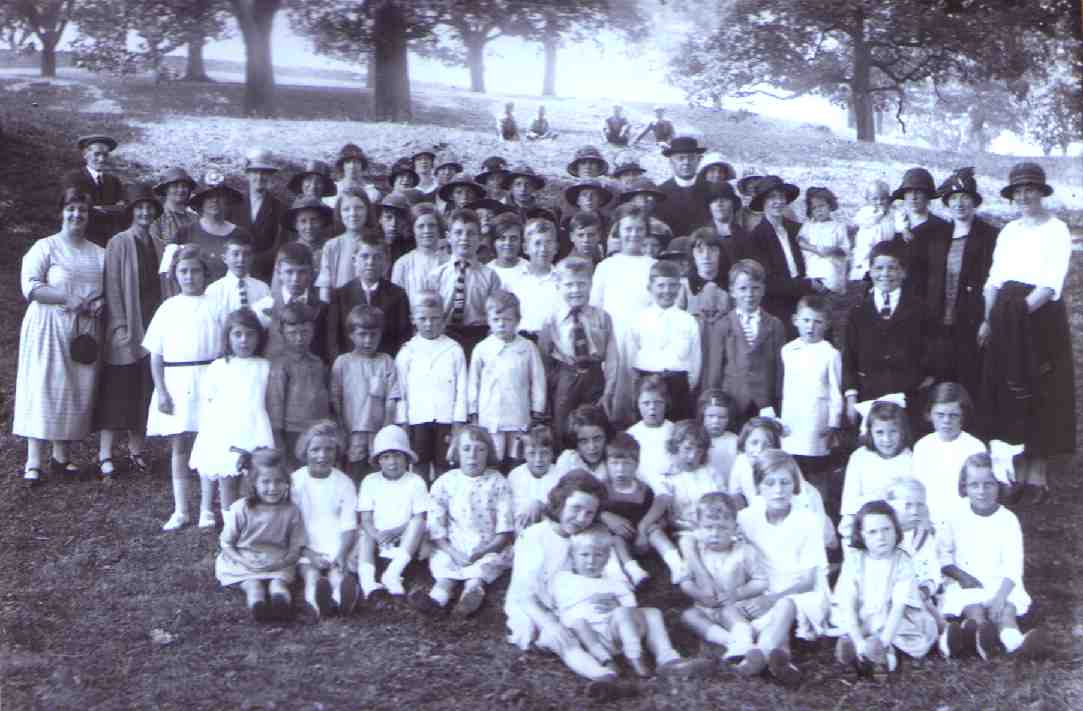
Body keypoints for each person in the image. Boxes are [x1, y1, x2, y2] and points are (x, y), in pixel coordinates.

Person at [979, 162, 1074, 504]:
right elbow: (994, 279)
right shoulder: (1009, 232)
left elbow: (1050, 282)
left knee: (1040, 389)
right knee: (1010, 389)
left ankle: (1038, 473)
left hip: (1039, 316)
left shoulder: (1057, 230)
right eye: (1018, 192)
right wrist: (989, 319)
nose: (1024, 196)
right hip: (1006, 315)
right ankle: (1016, 469)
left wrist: (1020, 316)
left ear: (1041, 192)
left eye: (1030, 189)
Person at [14, 187, 105, 486]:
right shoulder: (45, 247)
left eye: (83, 210)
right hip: (48, 325)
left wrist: (101, 302)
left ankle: (61, 458)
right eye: (71, 209)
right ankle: (33, 462)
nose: (77, 215)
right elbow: (31, 287)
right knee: (44, 386)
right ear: (61, 212)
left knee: (73, 389)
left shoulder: (99, 253)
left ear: (89, 216)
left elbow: (108, 290)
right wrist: (65, 298)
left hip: (84, 330)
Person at [550, 525, 708, 679]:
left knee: (650, 612)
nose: (591, 561)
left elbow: (632, 608)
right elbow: (559, 606)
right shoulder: (563, 579)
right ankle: (607, 662)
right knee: (579, 623)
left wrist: (618, 606)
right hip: (589, 637)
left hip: (617, 633)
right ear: (572, 557)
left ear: (607, 559)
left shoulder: (615, 582)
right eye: (584, 555)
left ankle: (658, 657)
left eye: (598, 555)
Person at [938, 453, 1047, 659]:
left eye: (988, 484)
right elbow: (944, 556)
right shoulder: (953, 515)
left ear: (999, 486)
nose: (981, 491)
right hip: (967, 582)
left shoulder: (1007, 520)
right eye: (974, 485)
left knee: (1005, 611)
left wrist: (1000, 597)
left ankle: (1016, 643)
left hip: (1002, 583)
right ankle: (981, 638)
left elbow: (1014, 565)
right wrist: (962, 577)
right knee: (974, 609)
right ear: (964, 487)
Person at [736, 450, 831, 686]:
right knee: (769, 612)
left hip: (801, 591)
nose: (778, 490)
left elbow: (809, 580)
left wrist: (771, 599)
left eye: (785, 482)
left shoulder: (807, 521)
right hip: (763, 587)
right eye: (770, 483)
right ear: (758, 486)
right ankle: (783, 660)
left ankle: (758, 654)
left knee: (784, 605)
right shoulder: (746, 518)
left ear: (795, 486)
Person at [144, 246, 223, 529]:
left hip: (208, 379)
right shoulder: (168, 308)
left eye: (195, 271)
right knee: (179, 446)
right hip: (176, 381)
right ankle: (180, 509)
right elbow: (156, 354)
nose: (190, 277)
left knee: (207, 444)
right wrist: (162, 391)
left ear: (205, 274)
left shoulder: (215, 305)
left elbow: (225, 349)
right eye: (184, 271)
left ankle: (206, 509)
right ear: (175, 275)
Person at [909, 168, 998, 401]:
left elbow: (995, 281)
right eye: (954, 199)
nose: (960, 204)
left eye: (965, 197)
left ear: (974, 202)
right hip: (938, 325)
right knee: (940, 381)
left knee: (971, 383)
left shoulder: (989, 236)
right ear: (947, 203)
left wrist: (988, 319)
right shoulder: (935, 234)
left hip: (972, 324)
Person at [95, 183, 165, 481]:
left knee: (143, 390)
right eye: (140, 207)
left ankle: (136, 451)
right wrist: (121, 325)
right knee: (118, 391)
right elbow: (112, 286)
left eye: (149, 207)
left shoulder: (160, 244)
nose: (145, 212)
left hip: (152, 325)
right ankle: (106, 454)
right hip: (126, 326)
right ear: (132, 212)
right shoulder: (119, 242)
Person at [411, 426, 515, 617]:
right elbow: (436, 525)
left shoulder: (498, 482)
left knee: (481, 570)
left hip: (488, 546)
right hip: (453, 545)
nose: (473, 455)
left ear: (489, 453)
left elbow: (505, 530)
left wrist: (484, 550)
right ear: (456, 452)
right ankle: (437, 598)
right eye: (466, 449)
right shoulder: (445, 482)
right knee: (444, 569)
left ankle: (470, 596)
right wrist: (452, 551)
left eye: (480, 449)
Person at [680, 492, 786, 677]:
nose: (714, 534)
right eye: (708, 527)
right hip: (706, 608)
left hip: (735, 608)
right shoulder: (696, 552)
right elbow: (685, 581)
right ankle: (733, 643)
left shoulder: (744, 552)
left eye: (722, 528)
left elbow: (760, 582)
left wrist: (737, 594)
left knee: (729, 611)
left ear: (735, 529)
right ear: (698, 528)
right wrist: (700, 595)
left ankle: (742, 639)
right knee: (688, 616)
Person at [189, 309, 274, 528]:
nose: (244, 340)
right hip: (225, 428)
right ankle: (230, 524)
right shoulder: (219, 366)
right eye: (237, 334)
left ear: (259, 337)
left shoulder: (265, 366)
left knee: (251, 477)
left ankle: (251, 519)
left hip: (254, 426)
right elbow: (209, 401)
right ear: (228, 337)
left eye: (250, 334)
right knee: (226, 476)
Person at [833, 501, 939, 674]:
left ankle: (881, 658)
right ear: (862, 535)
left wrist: (884, 643)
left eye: (886, 529)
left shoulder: (902, 561)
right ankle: (858, 650)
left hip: (894, 621)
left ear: (896, 530)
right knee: (854, 631)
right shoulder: (854, 560)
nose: (881, 537)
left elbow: (898, 608)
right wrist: (859, 641)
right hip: (862, 618)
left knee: (902, 640)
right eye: (873, 532)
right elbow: (848, 603)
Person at [843, 240, 932, 431]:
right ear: (870, 271)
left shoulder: (920, 309)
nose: (884, 274)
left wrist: (920, 389)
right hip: (869, 398)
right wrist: (851, 398)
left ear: (903, 272)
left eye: (892, 268)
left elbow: (932, 356)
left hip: (909, 399)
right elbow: (849, 359)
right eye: (878, 268)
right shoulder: (858, 312)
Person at [215, 448, 305, 623]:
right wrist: (245, 562)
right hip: (245, 559)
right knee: (252, 585)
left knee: (278, 583)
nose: (273, 488)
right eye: (266, 482)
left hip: (278, 560)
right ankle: (258, 607)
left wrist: (281, 562)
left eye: (279, 481)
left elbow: (295, 547)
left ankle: (282, 606)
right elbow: (226, 544)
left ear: (287, 482)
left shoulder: (291, 511)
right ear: (253, 483)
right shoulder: (241, 508)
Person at [537, 256, 618, 445]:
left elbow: (613, 357)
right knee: (563, 428)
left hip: (595, 376)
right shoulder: (551, 320)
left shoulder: (602, 317)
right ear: (558, 286)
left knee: (596, 425)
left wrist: (609, 391)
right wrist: (551, 390)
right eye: (569, 285)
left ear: (591, 284)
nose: (576, 290)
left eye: (581, 284)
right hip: (565, 376)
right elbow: (544, 358)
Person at [638, 420, 729, 586]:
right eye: (687, 448)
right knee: (670, 536)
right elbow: (663, 499)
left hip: (714, 525)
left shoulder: (710, 472)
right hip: (685, 529)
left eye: (699, 450)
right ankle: (679, 567)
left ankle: (707, 579)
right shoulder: (667, 475)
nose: (693, 455)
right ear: (675, 447)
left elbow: (724, 502)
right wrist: (643, 527)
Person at [590, 205, 656, 425]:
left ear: (646, 232)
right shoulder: (606, 267)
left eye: (639, 229)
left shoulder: (653, 266)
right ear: (619, 231)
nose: (633, 234)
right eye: (628, 229)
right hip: (613, 341)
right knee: (613, 400)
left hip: (644, 341)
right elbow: (595, 310)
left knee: (642, 397)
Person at [395, 290, 468, 482]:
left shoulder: (454, 350)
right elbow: (400, 393)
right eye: (423, 318)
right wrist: (404, 424)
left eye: (435, 318)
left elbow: (462, 391)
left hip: (446, 420)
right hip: (417, 420)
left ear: (444, 319)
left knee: (445, 468)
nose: (429, 324)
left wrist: (457, 425)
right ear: (413, 319)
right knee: (419, 466)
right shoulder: (407, 351)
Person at [702, 259, 786, 427]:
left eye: (755, 288)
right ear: (732, 291)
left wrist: (777, 401)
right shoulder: (723, 325)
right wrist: (712, 400)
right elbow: (714, 369)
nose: (749, 294)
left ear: (763, 290)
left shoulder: (774, 324)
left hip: (764, 403)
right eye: (743, 289)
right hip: (732, 401)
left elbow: (780, 368)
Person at [468, 291, 547, 468]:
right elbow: (473, 382)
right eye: (496, 320)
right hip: (491, 415)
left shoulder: (527, 347)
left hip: (518, 414)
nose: (502, 324)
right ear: (488, 320)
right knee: (493, 457)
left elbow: (538, 380)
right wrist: (473, 411)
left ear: (518, 320)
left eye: (507, 320)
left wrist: (537, 410)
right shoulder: (482, 349)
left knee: (516, 458)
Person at [291, 420, 360, 619]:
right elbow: (292, 524)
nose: (322, 455)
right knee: (311, 574)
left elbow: (348, 524)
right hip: (305, 542)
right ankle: (315, 604)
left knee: (337, 572)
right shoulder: (296, 481)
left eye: (329, 449)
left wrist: (342, 552)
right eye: (315, 450)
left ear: (336, 452)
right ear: (305, 452)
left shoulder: (344, 483)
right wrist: (307, 551)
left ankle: (341, 600)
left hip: (336, 542)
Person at [355, 425, 430, 599]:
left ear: (406, 458)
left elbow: (419, 517)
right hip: (377, 538)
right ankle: (368, 583)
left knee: (418, 523)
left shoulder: (415, 481)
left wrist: (395, 532)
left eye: (397, 455)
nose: (392, 462)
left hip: (406, 539)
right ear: (378, 461)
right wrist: (377, 535)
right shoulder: (370, 481)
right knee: (364, 535)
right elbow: (365, 519)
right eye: (386, 457)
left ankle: (393, 573)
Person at [743, 175, 826, 329]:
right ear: (763, 203)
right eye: (772, 197)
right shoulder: (756, 238)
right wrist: (808, 284)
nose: (779, 201)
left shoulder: (798, 229)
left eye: (781, 196)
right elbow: (769, 283)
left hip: (808, 304)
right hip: (778, 309)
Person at [331, 305, 401, 482]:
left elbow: (391, 399)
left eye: (373, 335)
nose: (368, 340)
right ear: (351, 335)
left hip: (378, 431)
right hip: (351, 431)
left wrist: (385, 430)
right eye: (362, 335)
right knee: (353, 476)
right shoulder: (343, 362)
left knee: (378, 476)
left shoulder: (386, 361)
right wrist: (340, 428)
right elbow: (335, 398)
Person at [629, 260, 702, 422]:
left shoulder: (688, 320)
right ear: (650, 288)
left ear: (679, 288)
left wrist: (685, 385)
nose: (667, 291)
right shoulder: (639, 319)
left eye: (672, 285)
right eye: (661, 285)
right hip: (646, 383)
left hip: (678, 386)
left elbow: (695, 360)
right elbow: (631, 354)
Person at [779, 295, 843, 480]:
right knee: (792, 469)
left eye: (818, 322)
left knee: (815, 470)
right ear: (795, 320)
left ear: (827, 325)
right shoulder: (788, 351)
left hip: (816, 421)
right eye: (806, 320)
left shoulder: (830, 354)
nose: (811, 327)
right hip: (792, 420)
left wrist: (833, 424)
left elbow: (835, 392)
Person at [425, 208, 502, 359]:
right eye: (458, 232)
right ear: (448, 237)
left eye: (471, 233)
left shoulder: (490, 276)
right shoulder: (436, 276)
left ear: (480, 238)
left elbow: (495, 314)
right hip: (444, 335)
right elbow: (429, 311)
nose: (464, 238)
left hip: (478, 337)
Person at [838, 401, 914, 544]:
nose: (887, 439)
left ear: (903, 431)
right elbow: (849, 505)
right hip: (865, 533)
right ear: (870, 432)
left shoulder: (910, 460)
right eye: (880, 432)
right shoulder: (860, 458)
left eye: (893, 431)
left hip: (901, 533)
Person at [913, 383, 987, 529]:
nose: (946, 421)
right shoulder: (922, 446)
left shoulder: (974, 447)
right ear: (930, 415)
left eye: (953, 415)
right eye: (940, 415)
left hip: (964, 521)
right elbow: (918, 488)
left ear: (963, 416)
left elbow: (979, 492)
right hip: (929, 521)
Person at [266, 302, 331, 470]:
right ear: (282, 333)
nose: (299, 338)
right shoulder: (280, 365)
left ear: (313, 331)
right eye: (292, 333)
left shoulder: (317, 363)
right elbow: (275, 406)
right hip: (292, 434)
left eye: (305, 332)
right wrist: (279, 443)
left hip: (318, 431)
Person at [163, 173, 250, 297]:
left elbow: (248, 274)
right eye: (209, 196)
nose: (214, 200)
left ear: (227, 200)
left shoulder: (241, 235)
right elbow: (167, 273)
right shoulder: (184, 233)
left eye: (219, 196)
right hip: (196, 302)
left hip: (232, 300)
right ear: (201, 201)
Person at [328, 234, 411, 358]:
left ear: (386, 262)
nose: (370, 262)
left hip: (386, 364)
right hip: (349, 366)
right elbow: (333, 339)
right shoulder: (340, 295)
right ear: (354, 260)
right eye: (364, 256)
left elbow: (403, 336)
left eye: (377, 257)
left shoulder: (397, 295)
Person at [253, 243, 330, 363]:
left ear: (311, 273)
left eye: (302, 272)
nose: (295, 279)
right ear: (279, 273)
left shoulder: (323, 309)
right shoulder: (264, 306)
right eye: (289, 272)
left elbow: (328, 351)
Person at [598, 432, 653, 587]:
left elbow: (654, 516)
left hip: (639, 538)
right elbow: (594, 513)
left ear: (636, 465)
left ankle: (674, 561)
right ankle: (633, 570)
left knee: (655, 529)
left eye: (627, 464)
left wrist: (644, 535)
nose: (620, 470)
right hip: (616, 542)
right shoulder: (602, 489)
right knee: (616, 539)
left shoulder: (643, 490)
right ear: (606, 464)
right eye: (615, 464)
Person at [231, 148, 286, 283]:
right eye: (255, 172)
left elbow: (280, 245)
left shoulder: (280, 208)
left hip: (265, 274)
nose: (260, 177)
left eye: (264, 173)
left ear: (270, 176)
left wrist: (255, 262)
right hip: (234, 272)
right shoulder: (233, 204)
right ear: (247, 174)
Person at [61, 134, 125, 248]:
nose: (102, 159)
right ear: (85, 155)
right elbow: (78, 210)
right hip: (81, 240)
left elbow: (122, 209)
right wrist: (110, 208)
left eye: (105, 155)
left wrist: (99, 208)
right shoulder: (74, 178)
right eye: (97, 154)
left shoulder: (114, 181)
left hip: (109, 241)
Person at [316, 187, 378, 303]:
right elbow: (325, 289)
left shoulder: (377, 243)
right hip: (341, 307)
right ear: (339, 213)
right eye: (346, 209)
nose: (353, 214)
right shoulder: (332, 246)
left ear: (367, 210)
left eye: (359, 208)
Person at [202, 232, 270, 324]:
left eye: (246, 254)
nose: (241, 259)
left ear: (252, 258)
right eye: (235, 254)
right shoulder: (214, 290)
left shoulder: (263, 288)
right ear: (224, 258)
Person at [510, 218, 561, 338]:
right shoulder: (514, 280)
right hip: (521, 342)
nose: (543, 249)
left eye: (548, 243)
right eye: (537, 243)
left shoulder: (563, 280)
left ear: (556, 248)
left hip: (555, 344)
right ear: (525, 248)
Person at [625, 376, 676, 498]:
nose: (652, 408)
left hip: (670, 485)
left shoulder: (674, 430)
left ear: (666, 404)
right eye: (646, 403)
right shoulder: (631, 434)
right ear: (638, 404)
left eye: (658, 403)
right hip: (641, 488)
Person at [653, 136, 711, 239]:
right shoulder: (660, 193)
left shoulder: (712, 189)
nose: (686, 162)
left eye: (691, 158)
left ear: (698, 160)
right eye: (681, 158)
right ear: (671, 162)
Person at [276, 195, 334, 296]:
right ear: (295, 225)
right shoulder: (287, 252)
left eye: (314, 220)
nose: (309, 226)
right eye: (303, 221)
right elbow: (277, 289)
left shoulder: (332, 248)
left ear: (322, 222)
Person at [391, 203, 448, 303]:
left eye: (432, 226)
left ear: (438, 228)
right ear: (413, 229)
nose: (427, 231)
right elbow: (397, 302)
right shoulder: (403, 264)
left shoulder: (449, 262)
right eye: (421, 226)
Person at [679, 228, 735, 332]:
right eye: (700, 251)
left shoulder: (731, 286)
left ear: (720, 254)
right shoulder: (684, 287)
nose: (706, 256)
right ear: (693, 255)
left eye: (712, 250)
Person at [508, 425, 562, 532]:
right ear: (523, 453)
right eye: (532, 453)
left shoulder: (560, 475)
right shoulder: (515, 476)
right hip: (522, 528)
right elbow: (511, 508)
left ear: (553, 453)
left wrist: (542, 507)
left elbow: (563, 509)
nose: (538, 459)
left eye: (544, 453)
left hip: (551, 528)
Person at [797, 186, 849, 296]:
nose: (819, 210)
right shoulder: (809, 226)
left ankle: (830, 290)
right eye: (814, 208)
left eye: (822, 206)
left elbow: (845, 249)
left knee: (831, 282)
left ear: (830, 206)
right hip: (813, 270)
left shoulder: (838, 226)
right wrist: (815, 249)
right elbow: (800, 241)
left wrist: (832, 249)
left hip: (832, 269)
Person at [891, 167, 950, 259]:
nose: (913, 197)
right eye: (909, 192)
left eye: (919, 192)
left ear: (927, 195)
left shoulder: (940, 227)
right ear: (904, 195)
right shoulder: (894, 223)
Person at [727, 417, 784, 509]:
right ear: (744, 443)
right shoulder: (741, 461)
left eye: (768, 445)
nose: (760, 449)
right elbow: (735, 492)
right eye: (754, 443)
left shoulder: (781, 466)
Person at [849, 179, 895, 284]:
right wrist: (880, 213)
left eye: (883, 199)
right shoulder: (865, 212)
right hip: (867, 247)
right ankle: (864, 280)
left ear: (888, 199)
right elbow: (861, 221)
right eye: (875, 199)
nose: (879, 202)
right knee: (865, 266)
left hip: (885, 246)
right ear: (868, 200)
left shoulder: (892, 213)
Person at [552, 404, 611, 482]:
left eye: (597, 438)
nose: (592, 447)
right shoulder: (568, 460)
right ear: (574, 441)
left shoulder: (613, 459)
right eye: (584, 441)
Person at [149, 167, 198, 254]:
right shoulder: (156, 218)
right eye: (175, 186)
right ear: (165, 189)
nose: (180, 190)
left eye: (184, 186)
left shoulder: (195, 218)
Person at [699, 389, 738, 483]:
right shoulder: (696, 437)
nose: (715, 421)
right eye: (711, 416)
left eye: (722, 417)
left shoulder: (735, 440)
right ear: (702, 416)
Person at [330, 143, 381, 209]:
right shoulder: (334, 190)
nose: (352, 166)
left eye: (357, 162)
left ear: (362, 166)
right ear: (342, 166)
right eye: (348, 162)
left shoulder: (372, 193)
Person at [488, 212, 528, 288]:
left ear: (521, 241)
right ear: (494, 242)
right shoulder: (486, 272)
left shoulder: (530, 270)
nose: (508, 243)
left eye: (513, 238)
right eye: (502, 238)